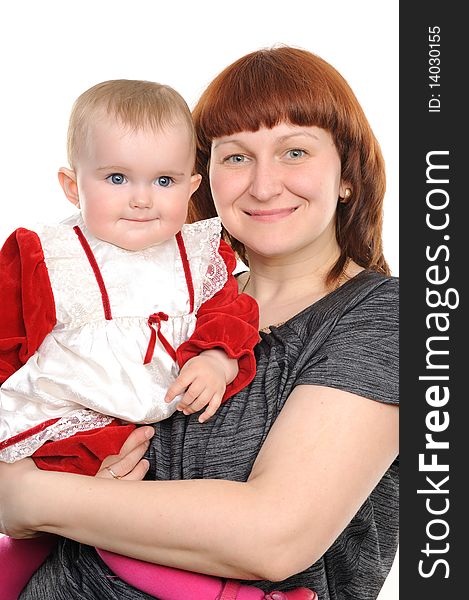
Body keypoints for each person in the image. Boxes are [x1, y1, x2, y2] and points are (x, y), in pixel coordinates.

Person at [0, 46, 399, 600]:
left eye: (295, 151)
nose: (263, 185)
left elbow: (275, 536)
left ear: (347, 175)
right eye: (236, 157)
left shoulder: (386, 315)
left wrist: (30, 498)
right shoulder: (163, 300)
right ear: (203, 179)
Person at [0, 79, 259, 598]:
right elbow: (7, 339)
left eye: (163, 180)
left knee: (140, 528)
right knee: (64, 524)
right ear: (73, 186)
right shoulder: (47, 254)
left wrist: (216, 358)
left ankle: (231, 591)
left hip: (154, 423)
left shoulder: (201, 253)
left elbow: (232, 312)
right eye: (117, 177)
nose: (142, 199)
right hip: (67, 420)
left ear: (191, 187)